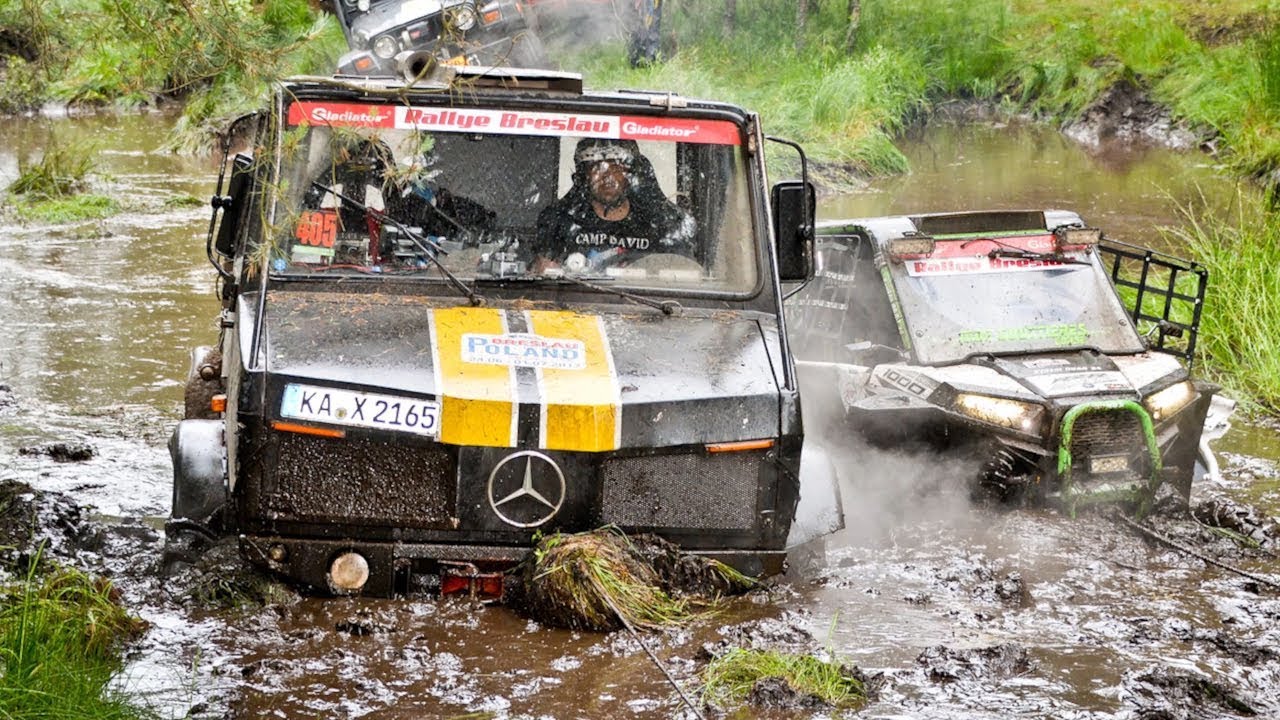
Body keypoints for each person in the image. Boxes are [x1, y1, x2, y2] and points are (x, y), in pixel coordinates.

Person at [534, 137, 695, 273]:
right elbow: (542, 275)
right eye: (596, 167)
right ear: (584, 176)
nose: (607, 176)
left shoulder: (661, 224)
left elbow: (685, 273)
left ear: (631, 174)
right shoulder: (560, 222)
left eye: (616, 167)